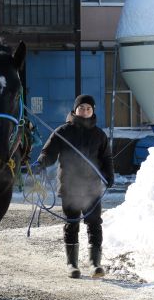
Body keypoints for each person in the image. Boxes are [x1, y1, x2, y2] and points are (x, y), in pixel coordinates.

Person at [32, 94, 115, 278]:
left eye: (88, 108)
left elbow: (106, 158)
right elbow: (49, 152)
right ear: (75, 110)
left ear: (92, 111)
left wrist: (109, 175)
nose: (84, 111)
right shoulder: (63, 131)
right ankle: (72, 264)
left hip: (91, 188)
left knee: (94, 224)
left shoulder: (99, 135)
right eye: (81, 108)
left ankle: (95, 264)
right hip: (69, 187)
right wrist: (41, 163)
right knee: (72, 224)